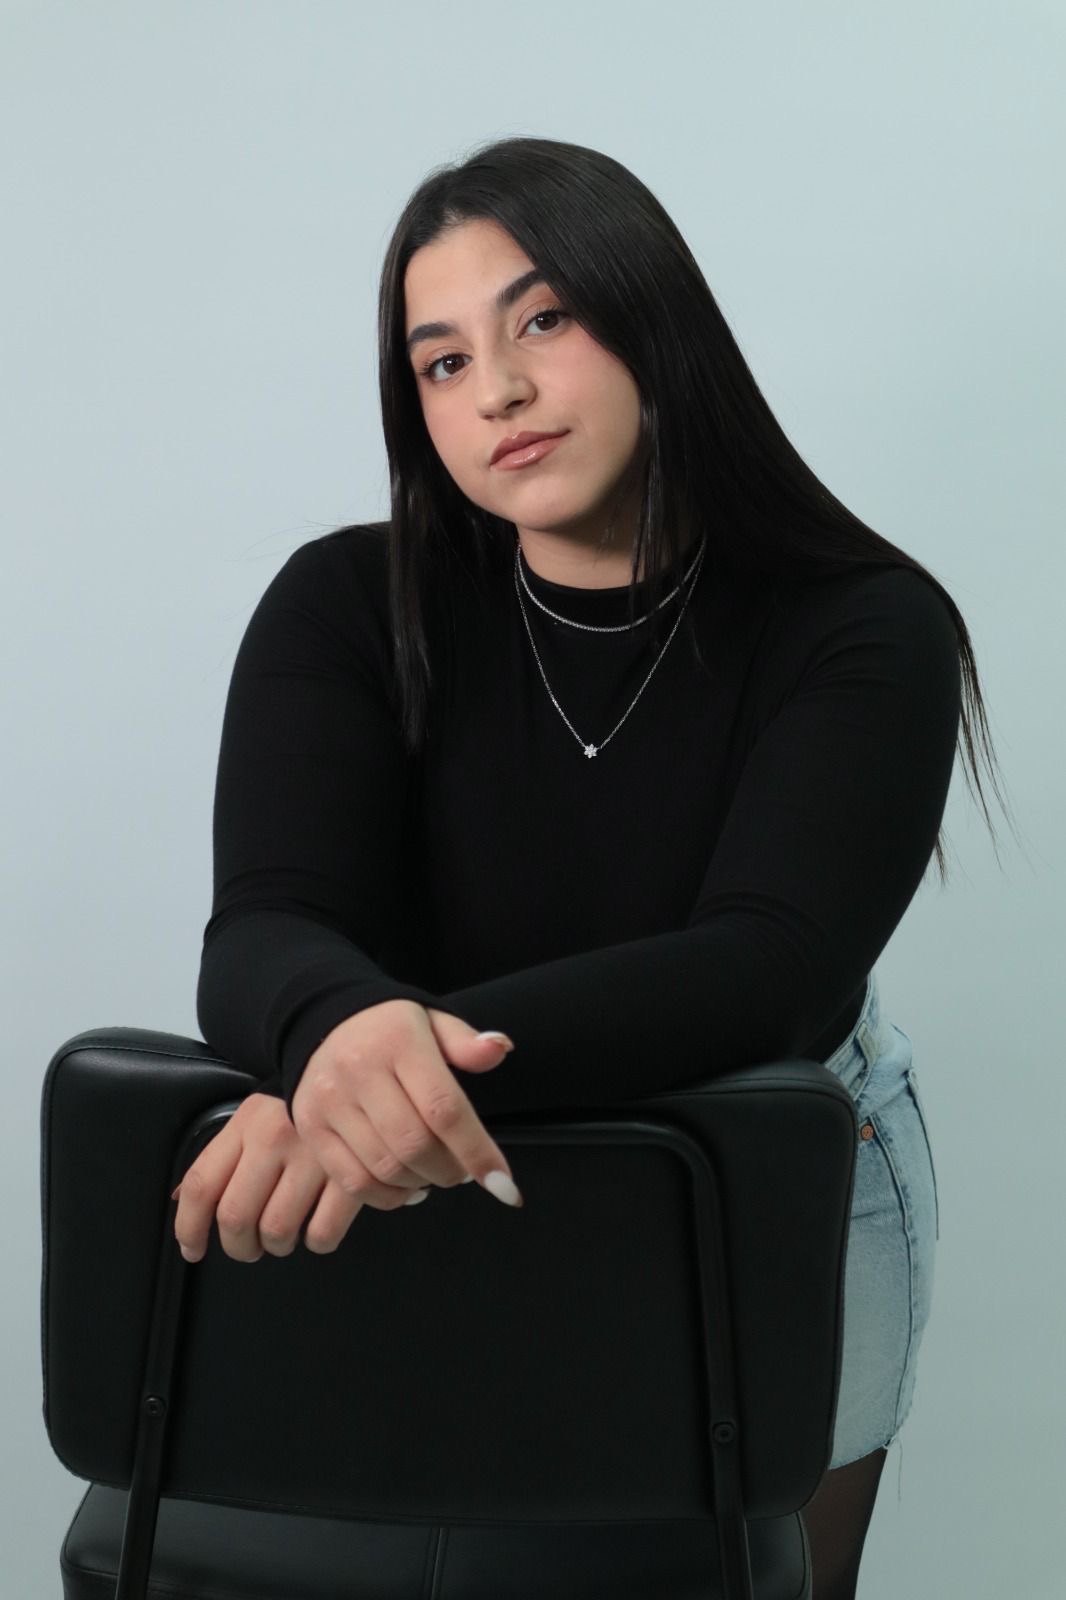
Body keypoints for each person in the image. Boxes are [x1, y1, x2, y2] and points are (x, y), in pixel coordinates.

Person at [176, 137, 1012, 1600]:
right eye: (442, 362)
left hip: (766, 1166)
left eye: (543, 320)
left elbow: (766, 969)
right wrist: (337, 1037)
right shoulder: (344, 603)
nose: (495, 390)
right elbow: (265, 924)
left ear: (652, 320)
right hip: (431, 1172)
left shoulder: (865, 625)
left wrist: (368, 1081)